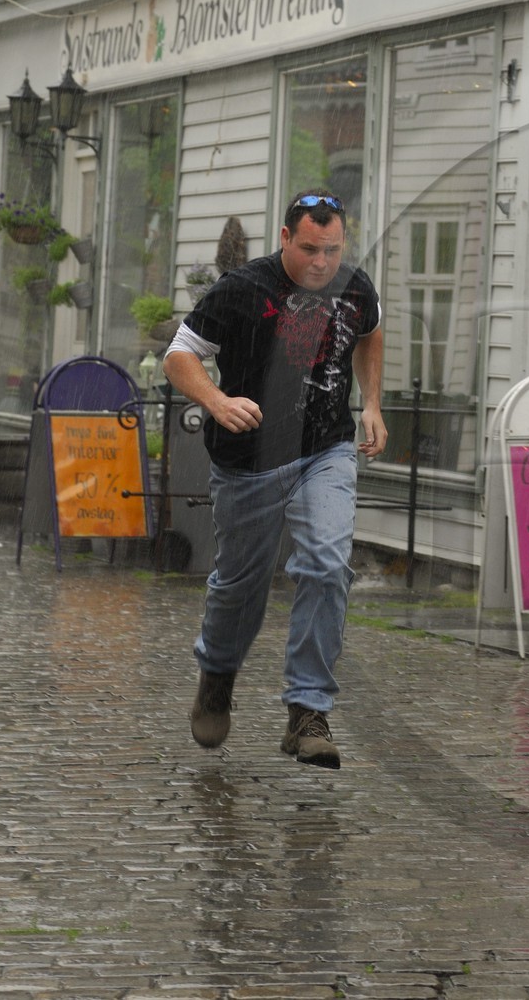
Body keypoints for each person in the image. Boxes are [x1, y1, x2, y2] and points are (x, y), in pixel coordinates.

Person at [165, 189, 387, 770]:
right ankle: (216, 677)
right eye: (309, 249)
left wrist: (372, 403)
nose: (321, 263)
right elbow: (179, 355)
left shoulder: (355, 287)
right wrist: (216, 400)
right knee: (240, 586)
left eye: (332, 250)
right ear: (285, 238)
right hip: (249, 460)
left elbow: (370, 331)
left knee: (327, 563)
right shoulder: (242, 289)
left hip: (325, 450)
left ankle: (307, 713)